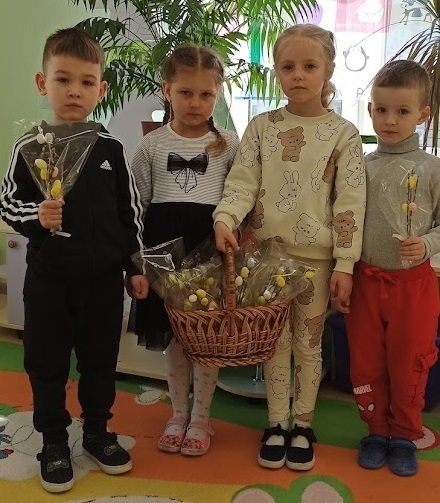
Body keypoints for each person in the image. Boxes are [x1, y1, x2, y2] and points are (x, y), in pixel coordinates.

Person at [0, 28, 148, 493]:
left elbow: (129, 212)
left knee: (101, 362)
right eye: (63, 79)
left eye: (86, 82)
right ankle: (53, 441)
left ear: (100, 91)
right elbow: (7, 203)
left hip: (102, 283)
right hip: (48, 281)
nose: (74, 91)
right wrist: (36, 216)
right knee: (45, 364)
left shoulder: (111, 149)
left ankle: (98, 432)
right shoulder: (29, 146)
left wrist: (135, 266)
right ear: (42, 83)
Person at [213, 24, 366, 471]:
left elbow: (350, 202)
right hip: (267, 259)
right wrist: (225, 218)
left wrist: (345, 263)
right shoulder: (262, 128)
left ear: (328, 70)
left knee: (309, 344)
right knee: (275, 344)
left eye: (309, 66)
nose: (298, 75)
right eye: (288, 66)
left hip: (317, 263)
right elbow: (242, 183)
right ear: (277, 71)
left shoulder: (344, 133)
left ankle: (303, 425)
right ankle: (276, 424)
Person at [129, 45, 239, 456]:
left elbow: (239, 199)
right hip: (165, 252)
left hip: (210, 250)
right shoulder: (152, 145)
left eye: (206, 94)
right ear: (167, 90)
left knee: (205, 337)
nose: (195, 103)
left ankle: (201, 418)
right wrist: (138, 261)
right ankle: (177, 413)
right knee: (175, 336)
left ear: (218, 94)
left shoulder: (229, 144)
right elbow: (137, 206)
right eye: (185, 93)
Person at [344, 60, 440, 477]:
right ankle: (376, 430)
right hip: (365, 282)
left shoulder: (433, 168)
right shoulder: (360, 167)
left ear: (423, 114)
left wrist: (428, 244)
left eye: (402, 111)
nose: (390, 120)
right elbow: (345, 221)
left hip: (414, 287)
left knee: (410, 362)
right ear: (370, 110)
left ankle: (403, 434)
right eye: (381, 110)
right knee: (365, 362)